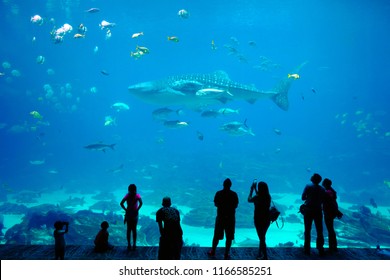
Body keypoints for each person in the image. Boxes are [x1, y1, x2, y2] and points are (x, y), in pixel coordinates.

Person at [208, 178, 239, 259]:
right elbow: (236, 205)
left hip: (220, 218)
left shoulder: (218, 193)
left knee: (216, 235)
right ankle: (226, 253)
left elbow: (215, 204)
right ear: (230, 185)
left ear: (223, 184)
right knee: (229, 237)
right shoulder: (234, 194)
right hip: (230, 219)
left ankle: (213, 251)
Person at [301, 173, 326, 256]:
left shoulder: (308, 186)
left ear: (313, 179)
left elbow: (303, 198)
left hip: (308, 210)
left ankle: (307, 249)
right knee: (319, 230)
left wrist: (309, 198)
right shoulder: (322, 189)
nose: (310, 176)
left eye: (312, 176)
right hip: (318, 211)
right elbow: (323, 200)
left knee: (307, 229)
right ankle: (320, 248)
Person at [248, 180, 271, 260]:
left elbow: (249, 199)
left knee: (261, 238)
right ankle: (260, 253)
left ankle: (265, 256)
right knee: (263, 236)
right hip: (267, 219)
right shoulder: (268, 196)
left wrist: (251, 190)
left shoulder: (257, 197)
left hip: (258, 219)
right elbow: (260, 195)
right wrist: (255, 189)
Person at [120, 183, 143, 250]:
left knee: (129, 229)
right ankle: (133, 244)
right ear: (135, 189)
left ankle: (130, 244)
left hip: (129, 214)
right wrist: (137, 209)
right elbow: (141, 203)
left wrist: (126, 210)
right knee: (133, 229)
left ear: (128, 190)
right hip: (134, 214)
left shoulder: (127, 195)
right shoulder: (137, 195)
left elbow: (121, 203)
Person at [322, 178, 340, 253]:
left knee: (330, 229)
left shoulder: (328, 192)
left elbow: (329, 202)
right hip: (331, 211)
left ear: (325, 184)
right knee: (331, 229)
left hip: (329, 212)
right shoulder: (332, 191)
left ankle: (332, 247)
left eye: (323, 183)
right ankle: (333, 246)